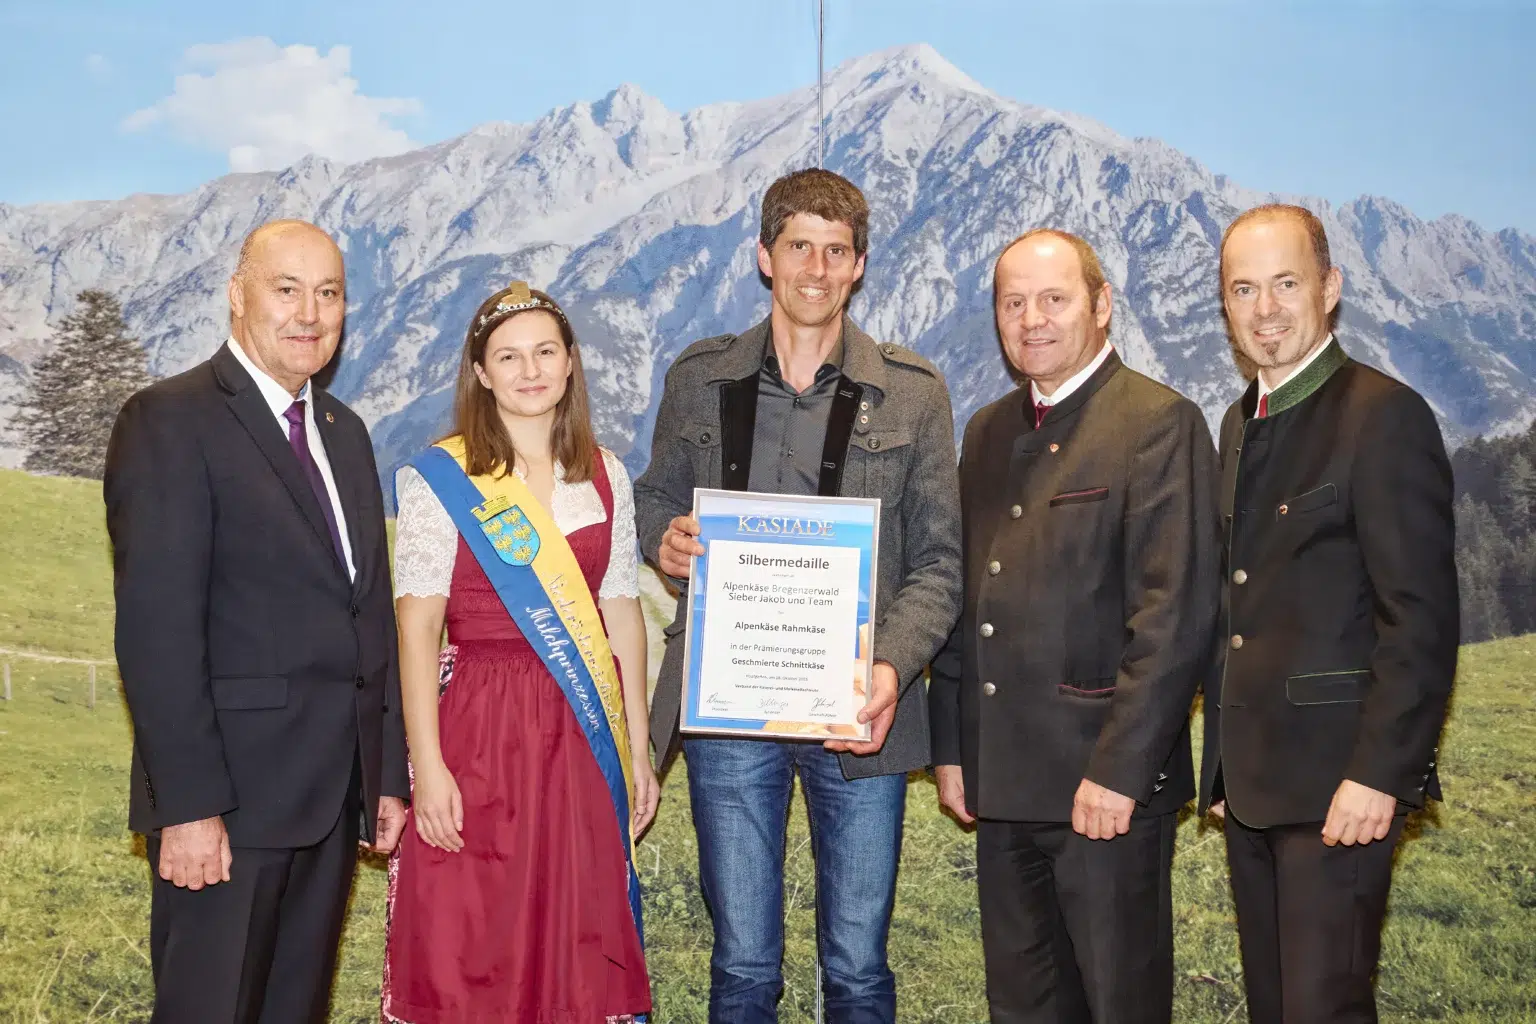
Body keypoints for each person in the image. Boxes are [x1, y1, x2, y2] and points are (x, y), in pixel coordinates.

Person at [633, 168, 962, 1023]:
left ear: (858, 266)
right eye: (799, 247)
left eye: (837, 251)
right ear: (764, 258)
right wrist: (664, 540)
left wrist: (888, 669)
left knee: (857, 967)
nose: (816, 268)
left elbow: (940, 564)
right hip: (729, 713)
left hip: (858, 716)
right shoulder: (699, 379)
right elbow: (655, 497)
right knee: (742, 963)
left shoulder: (916, 393)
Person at [103, 219, 409, 1023]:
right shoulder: (170, 420)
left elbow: (365, 612)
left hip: (332, 799)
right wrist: (189, 806)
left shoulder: (346, 434)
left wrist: (384, 772)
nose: (309, 313)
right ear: (238, 297)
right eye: (287, 289)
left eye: (329, 293)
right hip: (228, 809)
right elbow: (156, 634)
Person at [929, 228, 1222, 1024]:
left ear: (1101, 305)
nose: (1032, 320)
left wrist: (1121, 772)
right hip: (1005, 783)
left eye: (1054, 299)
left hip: (1105, 790)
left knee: (1117, 1005)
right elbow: (965, 599)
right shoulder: (988, 431)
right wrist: (954, 750)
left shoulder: (1159, 421)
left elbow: (1175, 614)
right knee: (1022, 1006)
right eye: (1012, 303)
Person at [1200, 204, 1459, 1023]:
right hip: (1251, 790)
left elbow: (1418, 620)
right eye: (1245, 288)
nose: (1265, 308)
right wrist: (1219, 772)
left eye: (1285, 283)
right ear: (1225, 305)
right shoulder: (1239, 423)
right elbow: (1238, 604)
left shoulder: (1383, 415)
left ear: (1330, 288)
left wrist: (1382, 776)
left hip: (1341, 793)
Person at [381, 281, 658, 1023]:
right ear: (481, 373)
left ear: (570, 363)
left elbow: (621, 612)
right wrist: (428, 766)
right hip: (478, 727)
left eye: (544, 352)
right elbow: (415, 627)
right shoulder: (439, 478)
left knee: (574, 928)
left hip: (580, 731)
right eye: (508, 356)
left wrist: (635, 748)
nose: (529, 370)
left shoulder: (607, 475)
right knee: (471, 932)